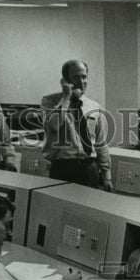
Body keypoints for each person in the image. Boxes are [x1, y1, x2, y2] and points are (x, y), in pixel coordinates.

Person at [39, 60, 112, 191]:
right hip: (63, 169)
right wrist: (66, 97)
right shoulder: (49, 101)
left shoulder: (94, 106)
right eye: (76, 77)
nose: (81, 81)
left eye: (84, 77)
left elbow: (101, 143)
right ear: (65, 80)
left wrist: (107, 176)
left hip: (90, 167)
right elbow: (54, 125)